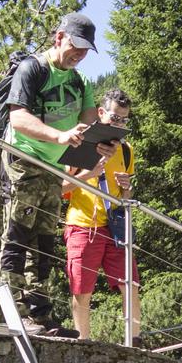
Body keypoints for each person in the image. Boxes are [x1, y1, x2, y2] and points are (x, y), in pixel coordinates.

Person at [0, 13, 99, 335]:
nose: (79, 54)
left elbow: (89, 122)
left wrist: (100, 144)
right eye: (75, 46)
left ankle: (41, 315)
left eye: (85, 50)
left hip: (53, 169)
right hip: (23, 160)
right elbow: (18, 119)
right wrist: (59, 136)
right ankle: (13, 311)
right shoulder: (33, 69)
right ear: (59, 38)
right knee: (18, 234)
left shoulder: (80, 81)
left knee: (43, 242)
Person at [61, 89, 140, 343]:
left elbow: (125, 198)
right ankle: (83, 342)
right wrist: (89, 172)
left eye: (123, 120)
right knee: (82, 288)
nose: (117, 125)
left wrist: (127, 189)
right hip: (83, 225)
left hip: (114, 228)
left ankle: (134, 341)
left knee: (131, 284)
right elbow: (61, 188)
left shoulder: (126, 150)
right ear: (101, 113)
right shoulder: (80, 141)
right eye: (114, 118)